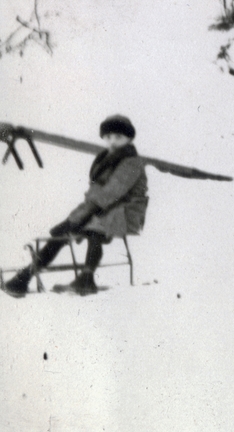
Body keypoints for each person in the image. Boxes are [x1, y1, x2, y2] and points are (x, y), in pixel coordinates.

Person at [5, 116, 148, 297]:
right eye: (109, 136)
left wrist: (83, 215)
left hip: (126, 209)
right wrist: (75, 218)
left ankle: (86, 279)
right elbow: (97, 193)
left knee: (95, 228)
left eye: (118, 137)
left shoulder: (132, 162)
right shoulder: (104, 158)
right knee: (61, 234)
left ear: (129, 138)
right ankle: (24, 277)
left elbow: (113, 192)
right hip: (101, 206)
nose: (113, 141)